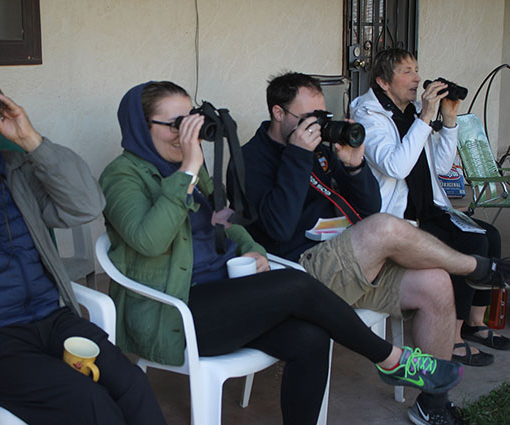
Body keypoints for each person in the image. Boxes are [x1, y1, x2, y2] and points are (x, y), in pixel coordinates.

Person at [99, 81, 464, 425]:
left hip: (222, 293)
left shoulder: (188, 169)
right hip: (174, 310)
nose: (187, 134)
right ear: (140, 125)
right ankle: (389, 358)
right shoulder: (122, 176)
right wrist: (190, 168)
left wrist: (253, 250)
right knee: (294, 283)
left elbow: (225, 220)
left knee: (311, 337)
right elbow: (148, 241)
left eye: (191, 120)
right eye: (178, 124)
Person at [236, 71, 509, 425]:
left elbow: (368, 208)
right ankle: (477, 269)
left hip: (350, 262)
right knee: (383, 229)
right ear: (278, 113)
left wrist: (354, 166)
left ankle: (434, 404)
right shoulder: (250, 160)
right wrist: (297, 158)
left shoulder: (321, 147)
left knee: (437, 284)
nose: (317, 126)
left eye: (322, 117)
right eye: (307, 119)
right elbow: (277, 229)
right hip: (299, 274)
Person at [0, 68, 166, 425]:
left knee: (132, 385)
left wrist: (30, 138)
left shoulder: (19, 171)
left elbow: (86, 204)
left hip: (54, 321)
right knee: (90, 404)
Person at [351, 48, 509, 370]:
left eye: (417, 69)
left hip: (429, 208)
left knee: (490, 236)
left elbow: (440, 164)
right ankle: (453, 339)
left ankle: (475, 324)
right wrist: (425, 117)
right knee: (473, 244)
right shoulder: (368, 116)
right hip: (397, 219)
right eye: (407, 71)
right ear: (383, 81)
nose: (418, 78)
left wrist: (448, 119)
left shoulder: (409, 112)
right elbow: (395, 166)